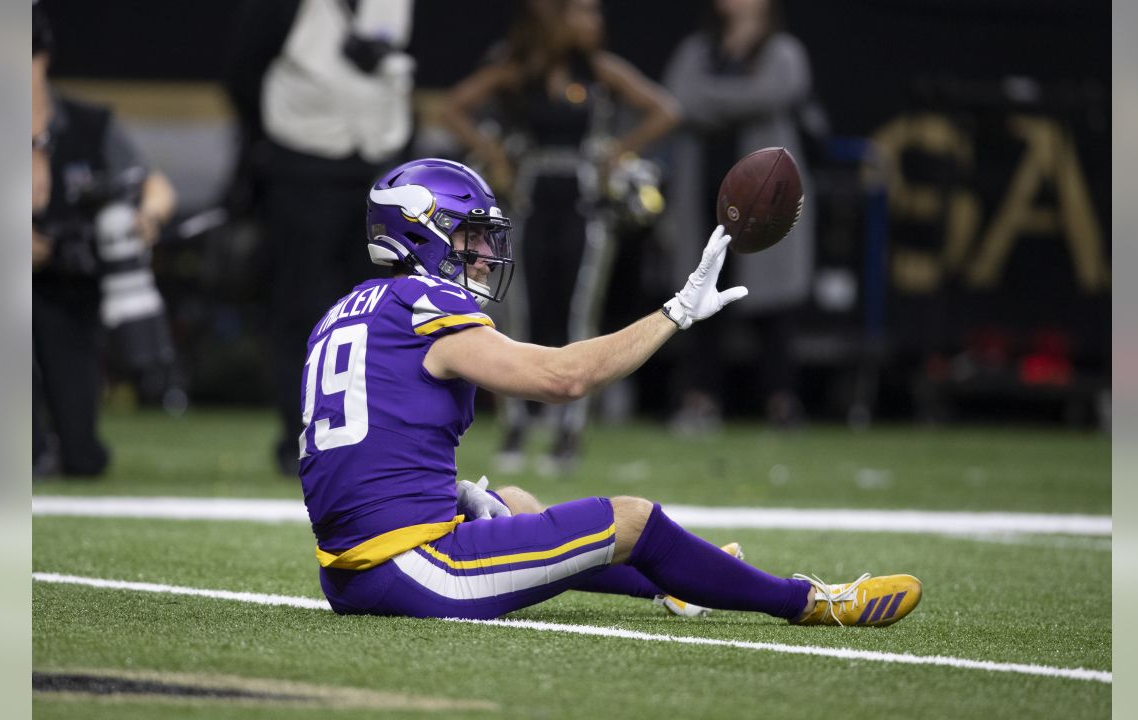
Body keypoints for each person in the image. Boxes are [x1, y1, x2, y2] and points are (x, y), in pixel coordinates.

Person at [299, 157, 920, 625]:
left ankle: (668, 582)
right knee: (633, 518)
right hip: (411, 570)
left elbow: (348, 453)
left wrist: (448, 494)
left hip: (351, 570)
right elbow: (562, 378)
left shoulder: (345, 312)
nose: (485, 254)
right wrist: (675, 311)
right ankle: (810, 601)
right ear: (420, 232)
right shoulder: (426, 303)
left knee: (512, 499)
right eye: (471, 236)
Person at [441, 0, 681, 473]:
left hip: (584, 204)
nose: (593, 22)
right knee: (516, 311)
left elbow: (665, 110)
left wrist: (616, 151)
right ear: (553, 18)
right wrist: (496, 154)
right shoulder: (516, 71)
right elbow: (452, 108)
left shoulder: (599, 71)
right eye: (582, 12)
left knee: (578, 314)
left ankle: (570, 432)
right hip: (527, 203)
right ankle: (515, 425)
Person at [224, 0, 416, 475]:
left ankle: (366, 439)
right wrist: (277, 135)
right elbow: (242, 74)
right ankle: (301, 437)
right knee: (301, 307)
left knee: (376, 310)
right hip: (303, 167)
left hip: (377, 168)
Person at [32, 4, 177, 477]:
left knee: (82, 457)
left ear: (42, 59)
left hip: (68, 293)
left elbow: (158, 187)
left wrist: (145, 217)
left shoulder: (88, 124)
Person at [660, 0, 819, 431]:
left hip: (767, 199)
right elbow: (677, 98)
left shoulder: (783, 50)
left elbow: (775, 92)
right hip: (703, 197)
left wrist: (711, 100)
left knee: (774, 304)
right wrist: (739, 98)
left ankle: (781, 402)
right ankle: (700, 400)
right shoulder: (696, 50)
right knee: (700, 297)